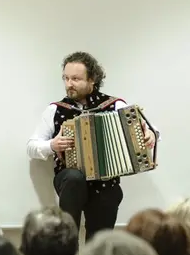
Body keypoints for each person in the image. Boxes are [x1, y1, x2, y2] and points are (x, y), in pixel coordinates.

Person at [27, 51, 156, 241]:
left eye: (76, 79)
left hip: (104, 183)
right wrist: (52, 145)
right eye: (66, 78)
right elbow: (32, 146)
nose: (69, 84)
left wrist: (150, 134)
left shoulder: (115, 105)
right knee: (74, 177)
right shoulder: (55, 110)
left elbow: (149, 129)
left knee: (105, 210)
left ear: (92, 79)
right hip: (69, 179)